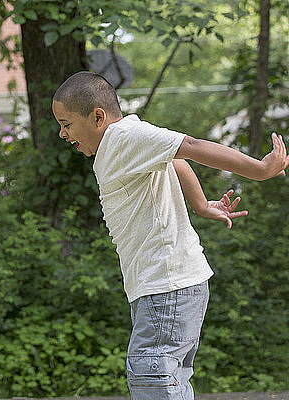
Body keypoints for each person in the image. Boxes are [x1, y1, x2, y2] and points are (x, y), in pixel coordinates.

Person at [52, 71, 288, 400]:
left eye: (66, 124)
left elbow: (189, 146)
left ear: (97, 117)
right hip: (162, 288)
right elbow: (174, 161)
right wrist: (201, 204)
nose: (62, 134)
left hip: (166, 286)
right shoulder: (120, 145)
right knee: (164, 382)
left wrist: (259, 171)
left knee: (152, 378)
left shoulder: (123, 137)